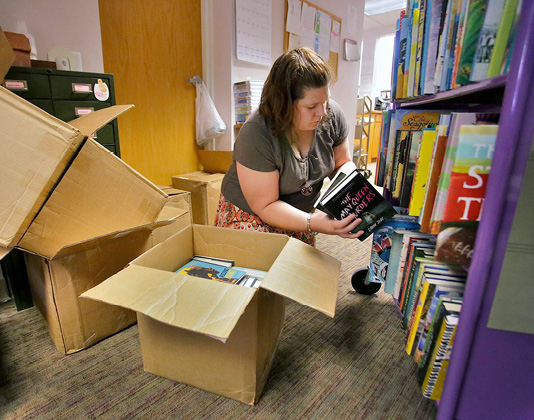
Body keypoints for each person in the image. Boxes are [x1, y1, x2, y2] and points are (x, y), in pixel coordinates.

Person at [215, 47, 363, 246]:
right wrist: (313, 222)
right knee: (267, 270)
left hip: (301, 213)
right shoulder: (257, 132)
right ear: (283, 104)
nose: (322, 112)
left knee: (300, 268)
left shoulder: (331, 114)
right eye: (311, 107)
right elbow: (266, 205)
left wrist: (350, 193)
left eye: (325, 101)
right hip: (252, 214)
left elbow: (342, 163)